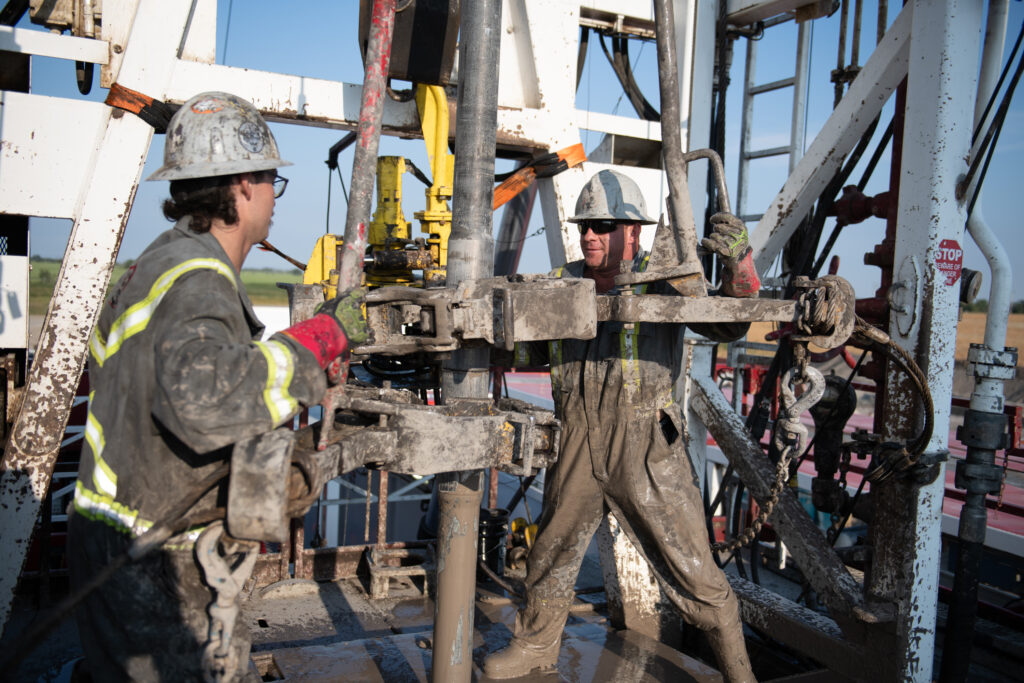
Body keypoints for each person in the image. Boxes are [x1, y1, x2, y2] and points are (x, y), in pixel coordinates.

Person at [68, 91, 368, 681]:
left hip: (110, 532)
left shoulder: (157, 263)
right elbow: (207, 402)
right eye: (271, 181)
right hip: (155, 556)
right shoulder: (199, 280)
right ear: (241, 185)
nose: (274, 198)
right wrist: (321, 339)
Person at [483, 169, 760, 682]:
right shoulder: (561, 284)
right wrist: (487, 336)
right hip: (577, 441)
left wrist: (740, 266)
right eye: (584, 225)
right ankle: (535, 645)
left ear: (633, 232)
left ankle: (740, 673)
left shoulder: (667, 282)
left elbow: (728, 322)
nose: (589, 234)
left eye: (604, 225)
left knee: (694, 569)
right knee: (552, 551)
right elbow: (527, 348)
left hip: (649, 449)